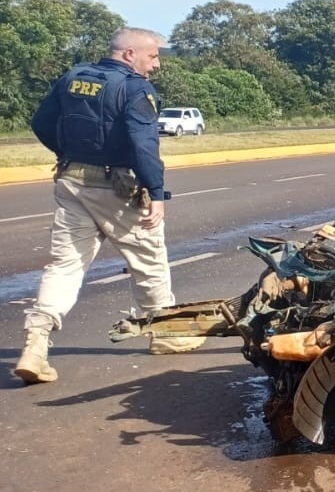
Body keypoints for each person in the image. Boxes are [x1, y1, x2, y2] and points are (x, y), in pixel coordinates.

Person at [13, 27, 204, 384]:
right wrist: (157, 192)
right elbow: (143, 144)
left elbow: (40, 123)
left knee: (64, 266)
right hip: (117, 189)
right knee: (149, 261)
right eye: (153, 56)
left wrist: (67, 154)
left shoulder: (74, 78)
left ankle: (36, 343)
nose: (157, 64)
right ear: (130, 54)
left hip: (71, 182)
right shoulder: (134, 89)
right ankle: (163, 334)